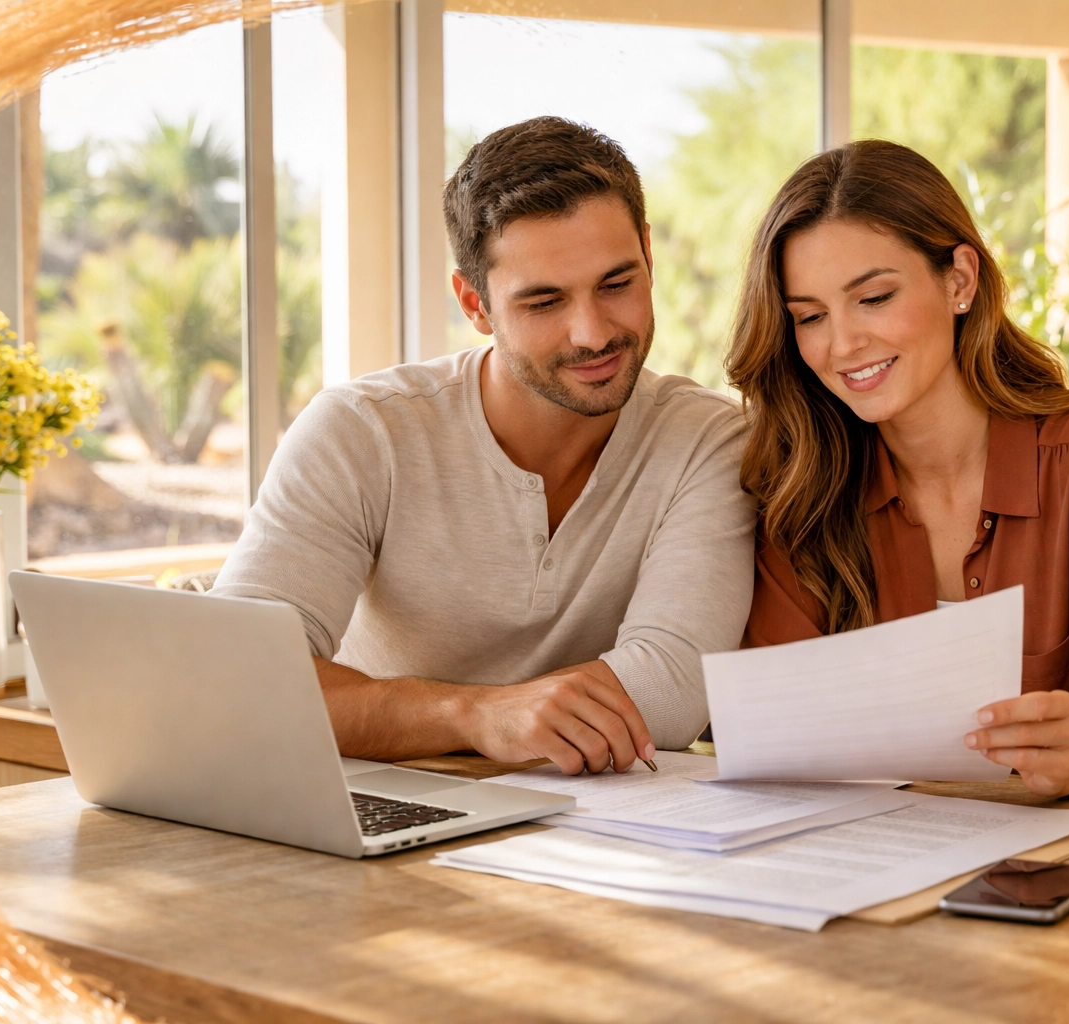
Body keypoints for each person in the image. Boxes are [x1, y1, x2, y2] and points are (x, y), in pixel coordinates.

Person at [213, 117, 755, 774]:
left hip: (603, 829)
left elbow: (669, 692)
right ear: (474, 303)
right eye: (544, 302)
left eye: (617, 284)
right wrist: (472, 714)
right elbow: (239, 679)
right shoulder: (362, 431)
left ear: (646, 251)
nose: (592, 333)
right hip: (388, 804)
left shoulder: (708, 441)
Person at [728, 139, 1069, 797]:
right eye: (810, 317)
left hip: (1062, 879)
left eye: (875, 298)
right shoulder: (800, 494)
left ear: (960, 281)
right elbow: (779, 745)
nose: (842, 344)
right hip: (858, 875)